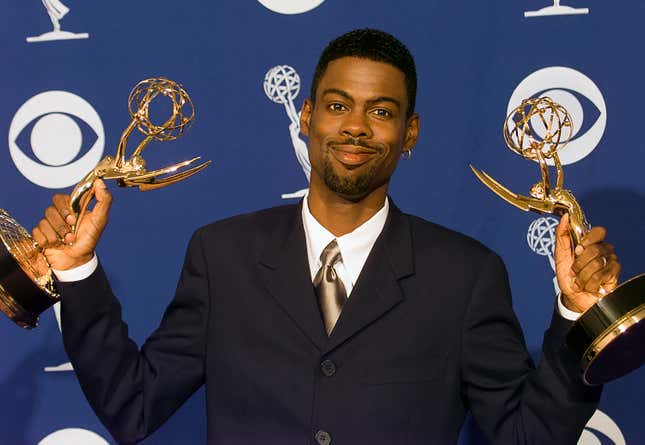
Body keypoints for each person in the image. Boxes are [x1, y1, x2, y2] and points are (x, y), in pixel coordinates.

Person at [33, 29, 620, 444]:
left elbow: (529, 436)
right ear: (307, 116)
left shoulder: (465, 276)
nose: (356, 127)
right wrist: (77, 271)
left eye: (382, 111)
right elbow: (132, 408)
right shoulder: (223, 256)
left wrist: (576, 315)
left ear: (410, 132)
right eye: (338, 106)